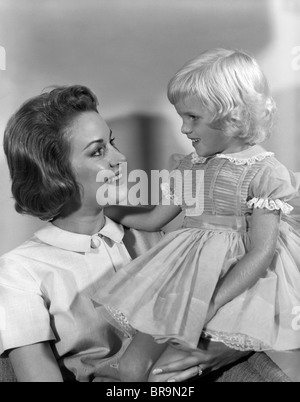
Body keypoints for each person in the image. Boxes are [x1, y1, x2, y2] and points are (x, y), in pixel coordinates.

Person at [0, 85, 248, 382]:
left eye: (112, 142)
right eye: (98, 151)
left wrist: (216, 353)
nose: (120, 158)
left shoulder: (155, 236)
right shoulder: (19, 271)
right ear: (54, 174)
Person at [93, 48, 300, 382]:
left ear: (232, 117)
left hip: (233, 288)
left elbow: (262, 252)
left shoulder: (265, 173)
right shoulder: (190, 166)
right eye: (181, 117)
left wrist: (213, 301)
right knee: (133, 368)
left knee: (169, 373)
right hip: (183, 279)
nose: (185, 129)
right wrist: (107, 209)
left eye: (193, 118)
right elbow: (154, 220)